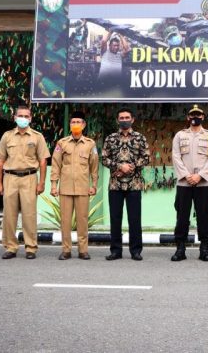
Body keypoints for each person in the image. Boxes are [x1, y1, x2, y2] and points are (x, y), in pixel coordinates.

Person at [0, 104, 50, 260]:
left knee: (29, 215)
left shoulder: (37, 137)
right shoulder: (7, 136)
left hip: (30, 177)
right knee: (9, 214)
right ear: (15, 118)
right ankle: (11, 247)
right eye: (20, 116)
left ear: (30, 118)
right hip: (10, 177)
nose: (23, 119)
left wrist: (42, 182)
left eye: (26, 116)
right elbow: (0, 161)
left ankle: (30, 247)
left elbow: (43, 161)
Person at [170, 105, 208, 262]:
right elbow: (176, 156)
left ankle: (204, 249)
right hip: (184, 183)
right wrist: (186, 175)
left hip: (202, 184)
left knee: (204, 216)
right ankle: (180, 249)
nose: (195, 117)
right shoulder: (180, 135)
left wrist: (200, 176)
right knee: (182, 216)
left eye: (198, 115)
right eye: (192, 115)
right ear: (187, 117)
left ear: (203, 117)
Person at [101, 108, 150, 261]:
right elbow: (104, 158)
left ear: (133, 119)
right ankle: (115, 251)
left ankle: (136, 251)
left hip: (134, 185)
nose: (124, 120)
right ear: (117, 120)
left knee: (134, 219)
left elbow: (146, 157)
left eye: (127, 117)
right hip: (115, 185)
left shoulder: (140, 138)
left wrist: (131, 167)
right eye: (121, 118)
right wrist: (119, 166)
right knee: (115, 219)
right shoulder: (110, 138)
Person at [50, 111, 99, 260]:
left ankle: (83, 250)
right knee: (65, 220)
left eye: (79, 122)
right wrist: (53, 185)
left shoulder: (90, 144)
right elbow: (56, 165)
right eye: (73, 122)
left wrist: (94, 185)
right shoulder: (62, 143)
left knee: (82, 220)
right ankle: (66, 250)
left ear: (84, 125)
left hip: (83, 188)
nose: (76, 125)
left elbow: (94, 167)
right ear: (70, 125)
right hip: (65, 188)